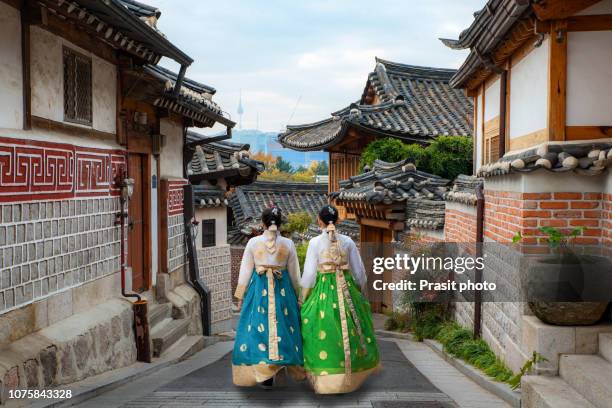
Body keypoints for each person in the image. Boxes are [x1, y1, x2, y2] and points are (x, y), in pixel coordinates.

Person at [300, 204, 380, 394]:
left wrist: (304, 298)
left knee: (321, 329)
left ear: (319, 221)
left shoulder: (314, 243)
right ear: (338, 221)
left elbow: (310, 274)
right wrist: (359, 292)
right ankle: (349, 376)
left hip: (323, 292)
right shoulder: (348, 242)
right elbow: (360, 272)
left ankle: (326, 377)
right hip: (346, 289)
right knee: (353, 329)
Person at [232, 206, 304, 388]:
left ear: (262, 223)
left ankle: (265, 371)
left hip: (258, 291)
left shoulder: (253, 243)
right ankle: (279, 366)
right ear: (280, 224)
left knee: (257, 329)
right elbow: (295, 274)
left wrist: (240, 297)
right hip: (283, 291)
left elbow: (245, 271)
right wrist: (301, 296)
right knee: (284, 328)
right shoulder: (288, 244)